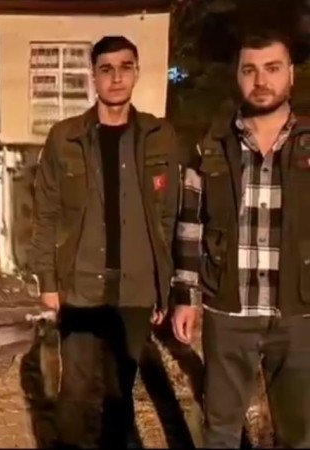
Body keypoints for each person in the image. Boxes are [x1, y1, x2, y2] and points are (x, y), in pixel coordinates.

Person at [30, 35, 183, 447]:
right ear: (93, 77)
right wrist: (47, 281)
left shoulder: (160, 136)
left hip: (135, 286)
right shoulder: (65, 137)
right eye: (106, 69)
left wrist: (163, 286)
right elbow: (45, 213)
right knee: (76, 392)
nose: (116, 77)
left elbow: (168, 216)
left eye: (125, 67)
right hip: (81, 283)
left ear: (136, 72)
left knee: (119, 391)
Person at [171, 29, 310, 448]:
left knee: (299, 434)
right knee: (221, 433)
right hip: (228, 311)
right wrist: (185, 296)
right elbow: (189, 225)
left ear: (291, 75)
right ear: (237, 75)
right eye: (250, 70)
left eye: (272, 68)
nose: (261, 80)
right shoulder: (210, 145)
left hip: (299, 314)